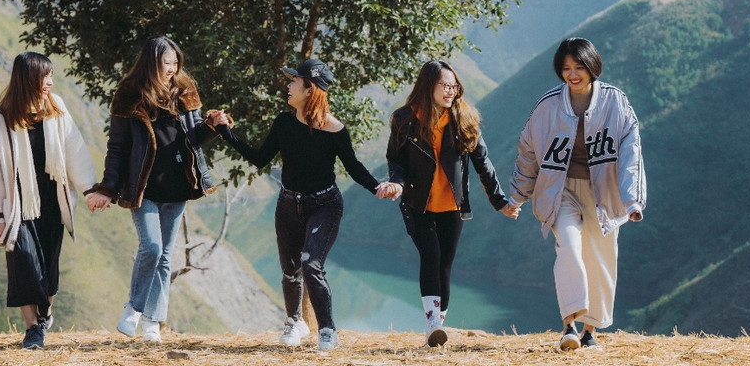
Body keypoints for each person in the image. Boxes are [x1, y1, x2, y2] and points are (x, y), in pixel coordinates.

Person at [212, 57, 386, 352]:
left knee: (310, 263)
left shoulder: (335, 131)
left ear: (309, 89)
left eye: (294, 81)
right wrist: (224, 131)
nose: (289, 86)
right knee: (290, 269)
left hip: (325, 205)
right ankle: (295, 322)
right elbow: (259, 158)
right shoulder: (283, 122)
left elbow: (354, 168)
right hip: (288, 203)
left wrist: (378, 187)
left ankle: (328, 331)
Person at [502, 38, 647, 352]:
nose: (572, 74)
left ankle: (589, 331)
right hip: (561, 190)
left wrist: (632, 198)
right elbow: (528, 152)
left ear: (592, 66)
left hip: (603, 192)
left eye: (579, 67)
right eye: (566, 68)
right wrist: (517, 197)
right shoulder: (548, 105)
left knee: (600, 258)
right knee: (569, 247)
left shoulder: (615, 102)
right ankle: (569, 325)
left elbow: (630, 151)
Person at [84, 36, 220, 343]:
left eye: (175, 63)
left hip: (177, 185)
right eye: (165, 63)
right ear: (150, 62)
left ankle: (152, 324)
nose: (171, 69)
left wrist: (211, 125)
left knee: (166, 256)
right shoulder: (129, 93)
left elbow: (193, 138)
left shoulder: (185, 91)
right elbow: (117, 146)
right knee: (152, 248)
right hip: (142, 187)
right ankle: (134, 308)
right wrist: (107, 188)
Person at [376, 59, 515, 347]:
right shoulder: (405, 118)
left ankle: (438, 326)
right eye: (445, 85)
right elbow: (396, 160)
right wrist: (397, 184)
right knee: (431, 257)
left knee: (446, 264)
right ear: (429, 86)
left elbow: (482, 162)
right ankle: (432, 325)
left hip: (452, 204)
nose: (451, 91)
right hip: (418, 203)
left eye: (454, 86)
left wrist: (499, 200)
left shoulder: (463, 118)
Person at [0, 52, 97, 350]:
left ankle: (44, 316)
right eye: (45, 76)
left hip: (52, 196)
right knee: (23, 259)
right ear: (28, 78)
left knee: (48, 265)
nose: (50, 82)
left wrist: (89, 189)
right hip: (19, 203)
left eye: (50, 75)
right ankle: (33, 329)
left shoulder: (56, 107)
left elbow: (74, 148)